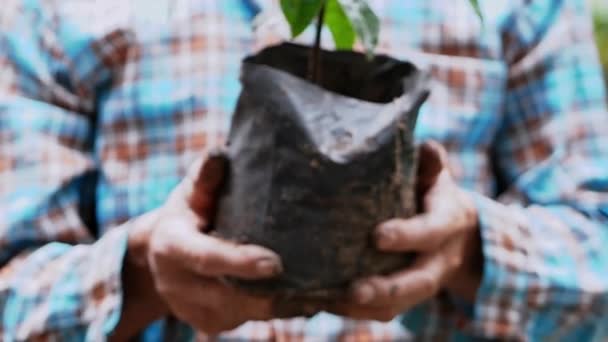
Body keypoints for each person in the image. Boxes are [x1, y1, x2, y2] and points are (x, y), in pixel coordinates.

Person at [1, 0, 607, 340]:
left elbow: (597, 253)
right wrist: (139, 272)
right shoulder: (52, 12)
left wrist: (470, 248)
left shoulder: (526, 8)